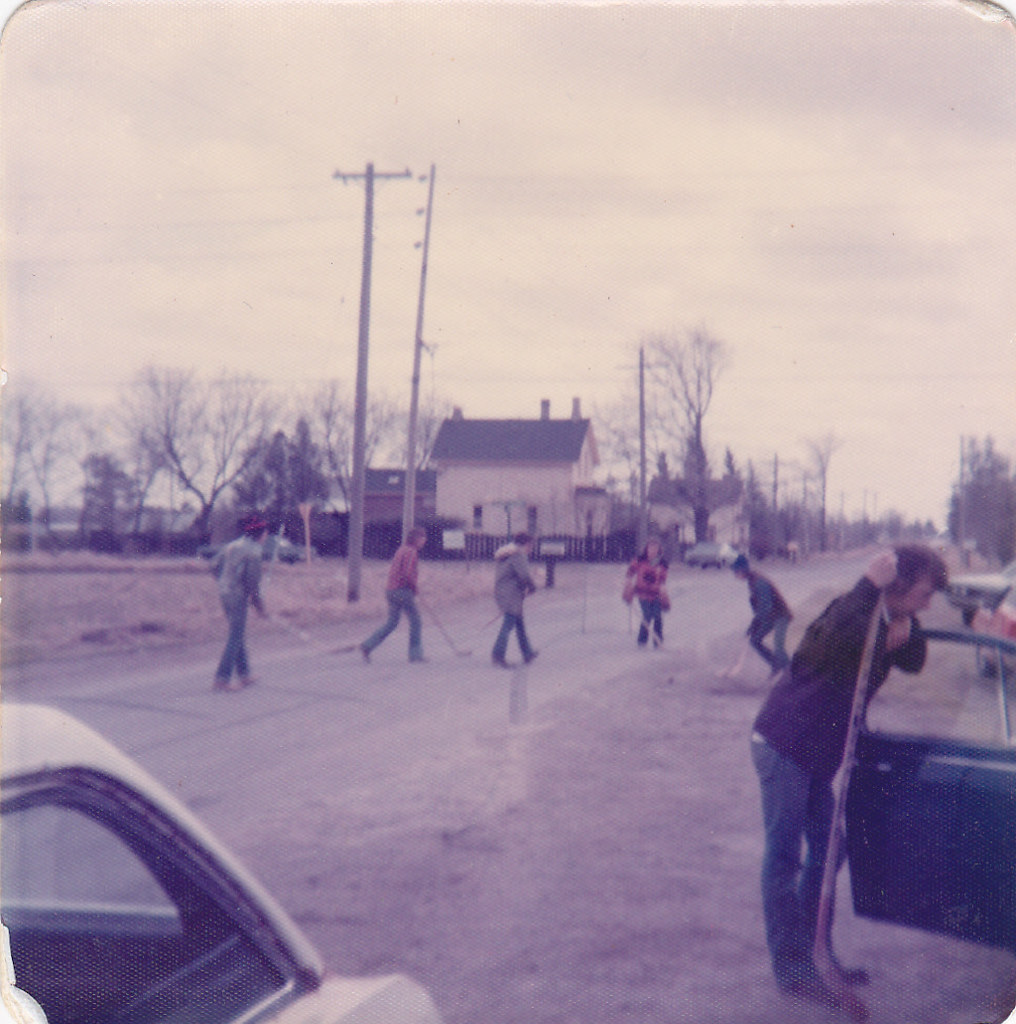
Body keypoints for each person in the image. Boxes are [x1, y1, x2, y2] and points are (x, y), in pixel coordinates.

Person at [749, 544, 947, 1012]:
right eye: (923, 593)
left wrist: (906, 630)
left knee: (828, 851)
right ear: (896, 585)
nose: (928, 602)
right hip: (784, 744)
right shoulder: (853, 608)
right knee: (784, 858)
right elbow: (825, 644)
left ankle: (819, 951)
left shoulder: (889, 621)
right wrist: (867, 585)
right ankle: (792, 968)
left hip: (817, 755)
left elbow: (914, 660)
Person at [211, 512, 268, 691]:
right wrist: (259, 606)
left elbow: (214, 566)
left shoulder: (232, 545)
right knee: (235, 635)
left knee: (237, 632)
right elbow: (252, 582)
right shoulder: (254, 551)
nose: (266, 536)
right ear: (260, 534)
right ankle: (222, 678)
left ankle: (244, 674)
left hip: (224, 592)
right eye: (265, 532)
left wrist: (225, 581)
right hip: (237, 595)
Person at [361, 526, 427, 663]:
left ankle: (367, 645)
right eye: (422, 538)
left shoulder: (401, 549)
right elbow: (407, 572)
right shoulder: (411, 552)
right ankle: (415, 655)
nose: (424, 541)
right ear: (416, 539)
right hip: (402, 590)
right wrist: (414, 587)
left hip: (390, 590)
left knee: (392, 622)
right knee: (416, 621)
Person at [731, 553, 791, 672]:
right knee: (755, 640)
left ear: (742, 570)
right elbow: (761, 608)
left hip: (781, 615)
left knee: (778, 646)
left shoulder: (759, 582)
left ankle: (791, 672)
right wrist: (753, 626)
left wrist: (755, 624)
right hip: (770, 616)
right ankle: (777, 666)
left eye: (736, 572)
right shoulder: (751, 580)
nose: (735, 575)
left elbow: (766, 607)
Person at [491, 532, 538, 667]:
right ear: (526, 544)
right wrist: (532, 587)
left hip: (504, 592)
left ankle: (527, 653)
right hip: (511, 594)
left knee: (519, 624)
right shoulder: (518, 555)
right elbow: (524, 575)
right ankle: (498, 655)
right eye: (531, 545)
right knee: (508, 625)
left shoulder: (507, 554)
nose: (531, 548)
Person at [625, 537, 669, 648]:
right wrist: (628, 582)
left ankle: (658, 641)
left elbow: (663, 578)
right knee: (647, 615)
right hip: (642, 593)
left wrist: (663, 588)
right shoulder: (640, 561)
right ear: (646, 549)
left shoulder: (662, 563)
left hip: (656, 594)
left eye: (655, 549)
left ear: (659, 550)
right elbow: (630, 571)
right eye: (651, 548)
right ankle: (642, 641)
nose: (653, 551)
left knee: (658, 616)